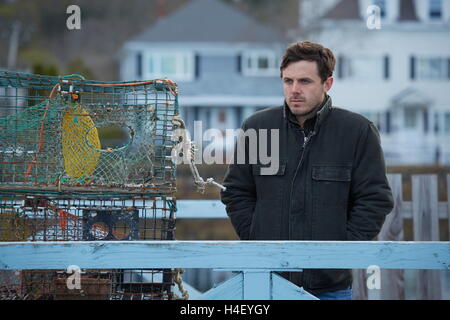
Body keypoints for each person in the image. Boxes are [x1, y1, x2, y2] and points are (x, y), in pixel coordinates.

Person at [220, 41, 394, 300]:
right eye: (288, 81)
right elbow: (236, 193)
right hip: (262, 281)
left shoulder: (357, 131)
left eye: (305, 81)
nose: (294, 90)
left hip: (329, 288)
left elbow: (375, 200)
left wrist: (338, 252)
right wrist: (256, 234)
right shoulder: (256, 127)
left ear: (327, 84)